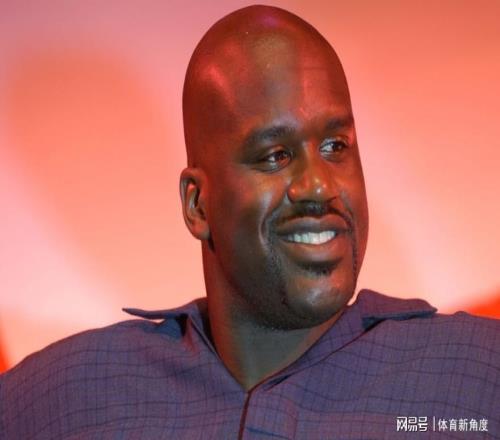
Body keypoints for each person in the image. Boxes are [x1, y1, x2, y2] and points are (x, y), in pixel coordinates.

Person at [1, 5, 498, 439]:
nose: (319, 186)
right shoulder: (63, 400)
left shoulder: (477, 380)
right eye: (275, 155)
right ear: (197, 205)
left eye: (334, 146)